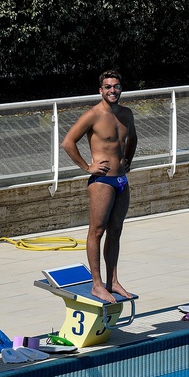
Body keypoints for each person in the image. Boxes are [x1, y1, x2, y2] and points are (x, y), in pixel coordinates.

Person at [61, 70, 138, 303]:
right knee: (97, 231)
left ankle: (112, 281)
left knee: (116, 231)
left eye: (116, 86)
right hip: (102, 181)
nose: (112, 90)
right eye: (107, 87)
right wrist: (87, 167)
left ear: (120, 88)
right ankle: (97, 285)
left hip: (121, 180)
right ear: (100, 90)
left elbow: (132, 139)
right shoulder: (93, 115)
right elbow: (68, 142)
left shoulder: (126, 114)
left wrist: (128, 160)